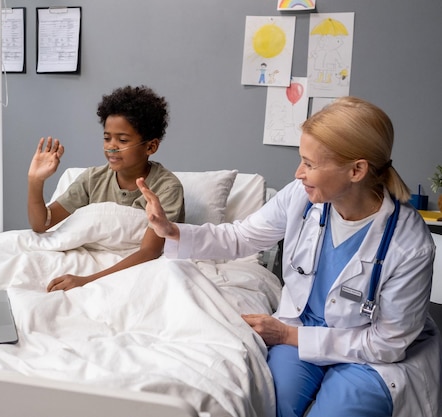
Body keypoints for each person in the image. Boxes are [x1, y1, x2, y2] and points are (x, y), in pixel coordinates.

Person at [137, 96, 441, 417]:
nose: (298, 173)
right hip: (302, 325)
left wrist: (285, 334)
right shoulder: (304, 197)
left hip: (369, 354)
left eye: (310, 164)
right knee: (274, 403)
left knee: (337, 411)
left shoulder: (409, 243)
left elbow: (387, 344)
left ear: (357, 170)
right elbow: (242, 236)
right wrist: (171, 230)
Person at [28, 85, 185, 292]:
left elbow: (149, 252)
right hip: (90, 259)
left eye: (122, 140)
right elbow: (42, 224)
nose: (111, 146)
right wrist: (35, 181)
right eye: (106, 137)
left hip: (128, 273)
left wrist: (87, 281)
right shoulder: (93, 179)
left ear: (150, 147)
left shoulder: (167, 188)